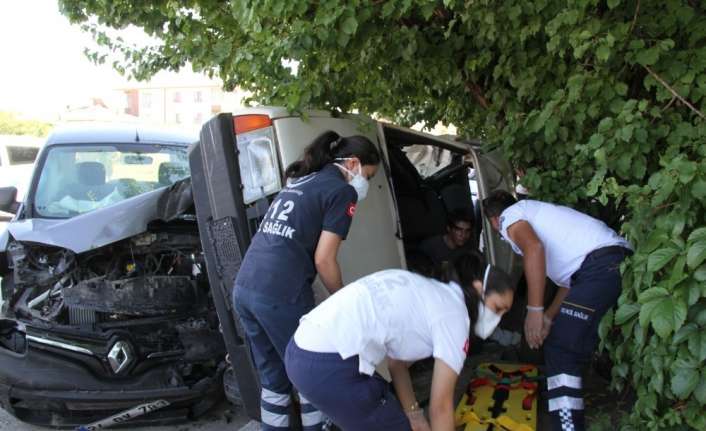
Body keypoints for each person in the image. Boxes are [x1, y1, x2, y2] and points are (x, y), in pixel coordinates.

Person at [232, 130, 381, 431]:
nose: (367, 183)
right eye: (369, 174)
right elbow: (324, 259)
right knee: (311, 373)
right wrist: (344, 300)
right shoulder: (342, 191)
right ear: (353, 164)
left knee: (273, 376)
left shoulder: (301, 180)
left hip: (245, 288)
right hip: (280, 294)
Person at [284, 253, 515, 431]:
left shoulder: (433, 292)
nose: (497, 319)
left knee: (391, 412)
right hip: (329, 363)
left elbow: (397, 364)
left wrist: (414, 414)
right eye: (497, 308)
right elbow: (441, 408)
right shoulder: (455, 318)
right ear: (478, 289)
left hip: (300, 350)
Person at [481, 190, 632, 431]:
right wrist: (548, 317)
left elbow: (534, 249)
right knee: (565, 341)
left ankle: (567, 426)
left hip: (599, 268)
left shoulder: (511, 216)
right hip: (607, 266)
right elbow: (566, 283)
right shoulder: (537, 216)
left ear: (494, 220)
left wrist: (534, 311)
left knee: (561, 349)